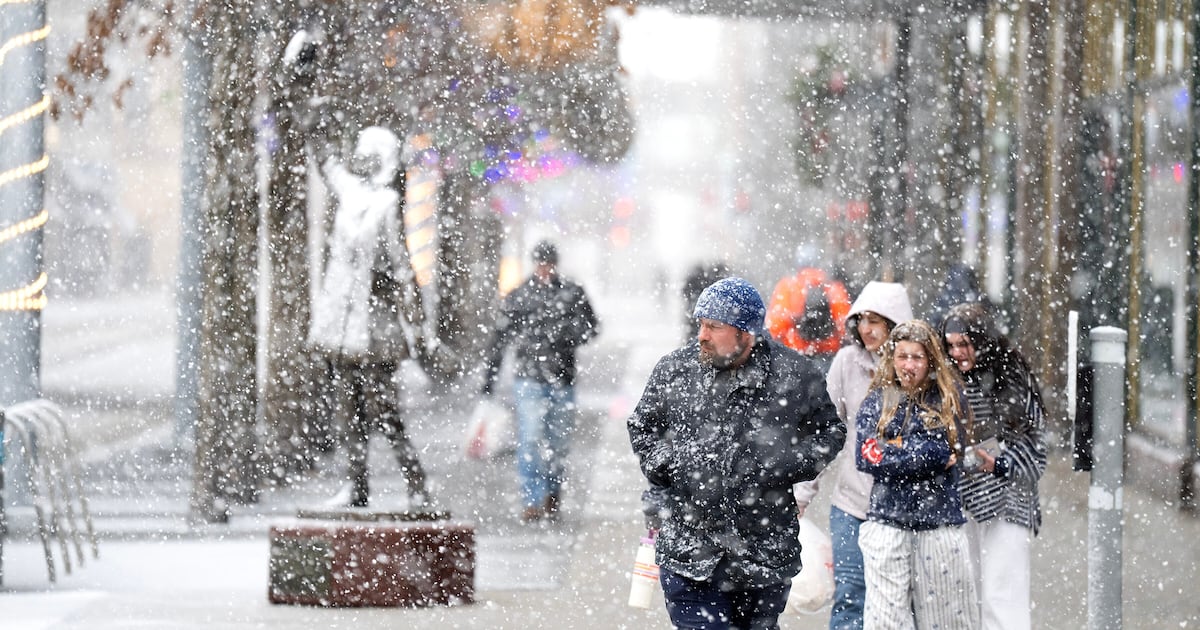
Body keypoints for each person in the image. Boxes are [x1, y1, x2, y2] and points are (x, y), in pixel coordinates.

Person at [627, 276, 846, 629]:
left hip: (764, 554)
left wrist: (785, 465)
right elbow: (642, 426)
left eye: (714, 327)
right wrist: (667, 464)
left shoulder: (794, 374)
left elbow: (830, 431)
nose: (702, 335)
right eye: (701, 325)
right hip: (689, 550)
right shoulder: (676, 370)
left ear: (746, 333)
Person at [309, 126, 431, 509]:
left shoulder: (385, 203)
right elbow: (325, 160)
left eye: (368, 154)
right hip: (343, 325)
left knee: (385, 411)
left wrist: (417, 320)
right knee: (347, 409)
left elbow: (401, 264)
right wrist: (313, 108)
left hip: (376, 326)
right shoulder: (348, 191)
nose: (360, 160)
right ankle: (355, 484)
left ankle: (417, 484)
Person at [793, 280, 914, 630]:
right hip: (851, 504)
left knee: (898, 600)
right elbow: (824, 432)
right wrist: (802, 493)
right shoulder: (847, 362)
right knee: (850, 594)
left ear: (895, 324)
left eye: (875, 321)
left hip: (901, 508)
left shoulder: (914, 367)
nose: (866, 329)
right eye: (861, 320)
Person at [855, 320, 978, 630]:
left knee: (948, 621)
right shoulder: (877, 401)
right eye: (902, 356)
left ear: (931, 360)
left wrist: (898, 447)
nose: (908, 365)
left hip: (940, 523)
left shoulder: (949, 399)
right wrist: (928, 454)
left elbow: (953, 450)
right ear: (891, 359)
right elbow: (867, 456)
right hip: (886, 521)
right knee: (885, 622)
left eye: (917, 357)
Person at [941, 302, 1046, 630]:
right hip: (965, 500)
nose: (957, 352)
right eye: (951, 345)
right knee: (968, 593)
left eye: (964, 343)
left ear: (981, 340)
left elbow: (1037, 445)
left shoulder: (1011, 374)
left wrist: (1002, 464)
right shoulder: (948, 379)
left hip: (1009, 500)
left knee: (1003, 595)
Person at [481, 240, 599, 523]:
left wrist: (566, 335)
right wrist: (489, 380)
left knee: (558, 442)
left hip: (562, 378)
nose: (544, 269)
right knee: (531, 438)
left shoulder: (572, 293)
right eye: (540, 264)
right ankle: (533, 498)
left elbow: (592, 327)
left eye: (548, 264)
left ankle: (552, 491)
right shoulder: (520, 296)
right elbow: (499, 340)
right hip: (530, 378)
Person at [764, 245, 851, 374]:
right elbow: (846, 326)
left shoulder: (787, 287)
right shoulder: (833, 287)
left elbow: (775, 327)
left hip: (796, 357)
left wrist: (794, 322)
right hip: (829, 358)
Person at [681, 261, 732, 340]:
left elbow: (685, 292)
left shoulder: (696, 280)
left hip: (695, 312)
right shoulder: (719, 281)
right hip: (707, 314)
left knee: (694, 332)